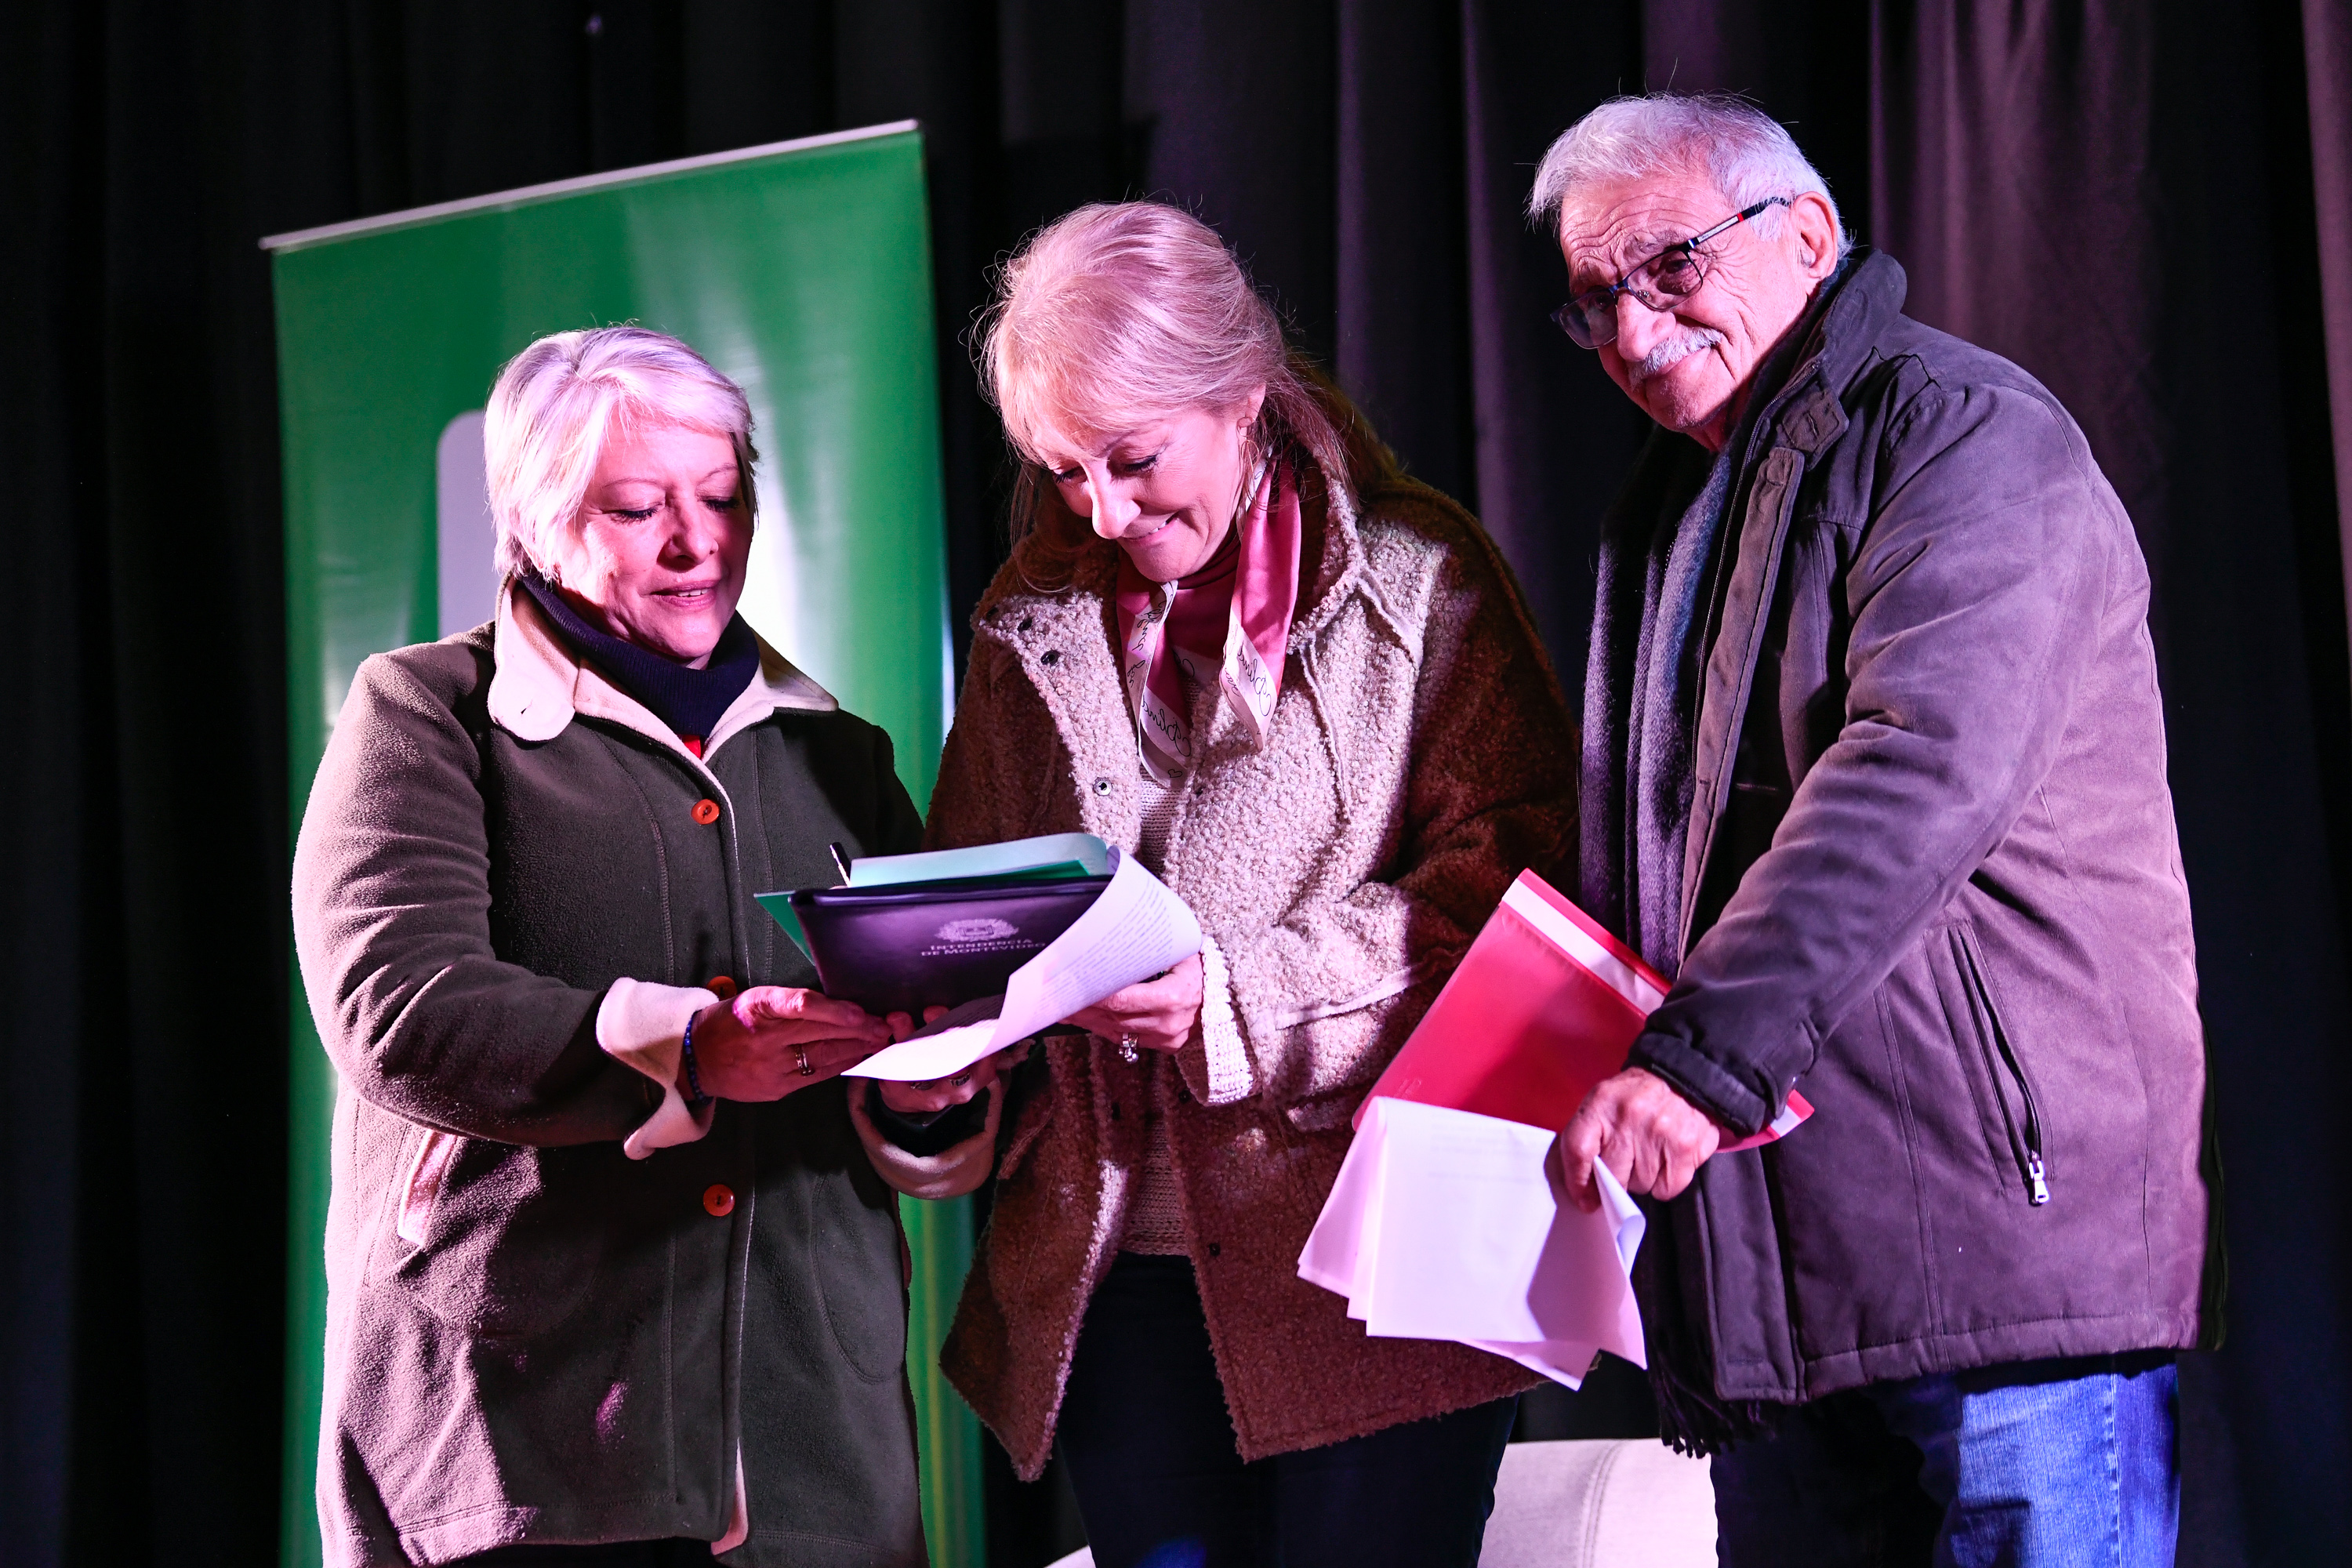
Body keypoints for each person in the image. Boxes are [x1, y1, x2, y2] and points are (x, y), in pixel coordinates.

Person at [1529, 95, 2214, 1566]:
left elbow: (1916, 767)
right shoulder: (1671, 505)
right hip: (1784, 1268)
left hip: (1995, 1245)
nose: (1637, 338)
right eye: (1597, 305)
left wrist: (1693, 1064)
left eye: (1669, 269)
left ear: (1809, 235)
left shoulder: (1963, 433)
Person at [847, 201, 1578, 1568]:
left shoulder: (1423, 581)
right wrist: (946, 1070)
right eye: (1063, 472)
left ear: (1241, 400)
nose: (1104, 514)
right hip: (1116, 1292)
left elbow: (1514, 899)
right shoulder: (1030, 618)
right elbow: (976, 915)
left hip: (1375, 1271)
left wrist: (1235, 1000)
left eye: (1132, 461)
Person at [292, 326, 929, 1567]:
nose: (699, 544)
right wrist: (688, 1045)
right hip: (525, 1445)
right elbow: (399, 1004)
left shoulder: (843, 756)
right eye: (640, 508)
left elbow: (915, 1036)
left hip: (818, 1456)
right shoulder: (428, 715)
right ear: (534, 519)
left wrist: (941, 1087)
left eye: (723, 497)